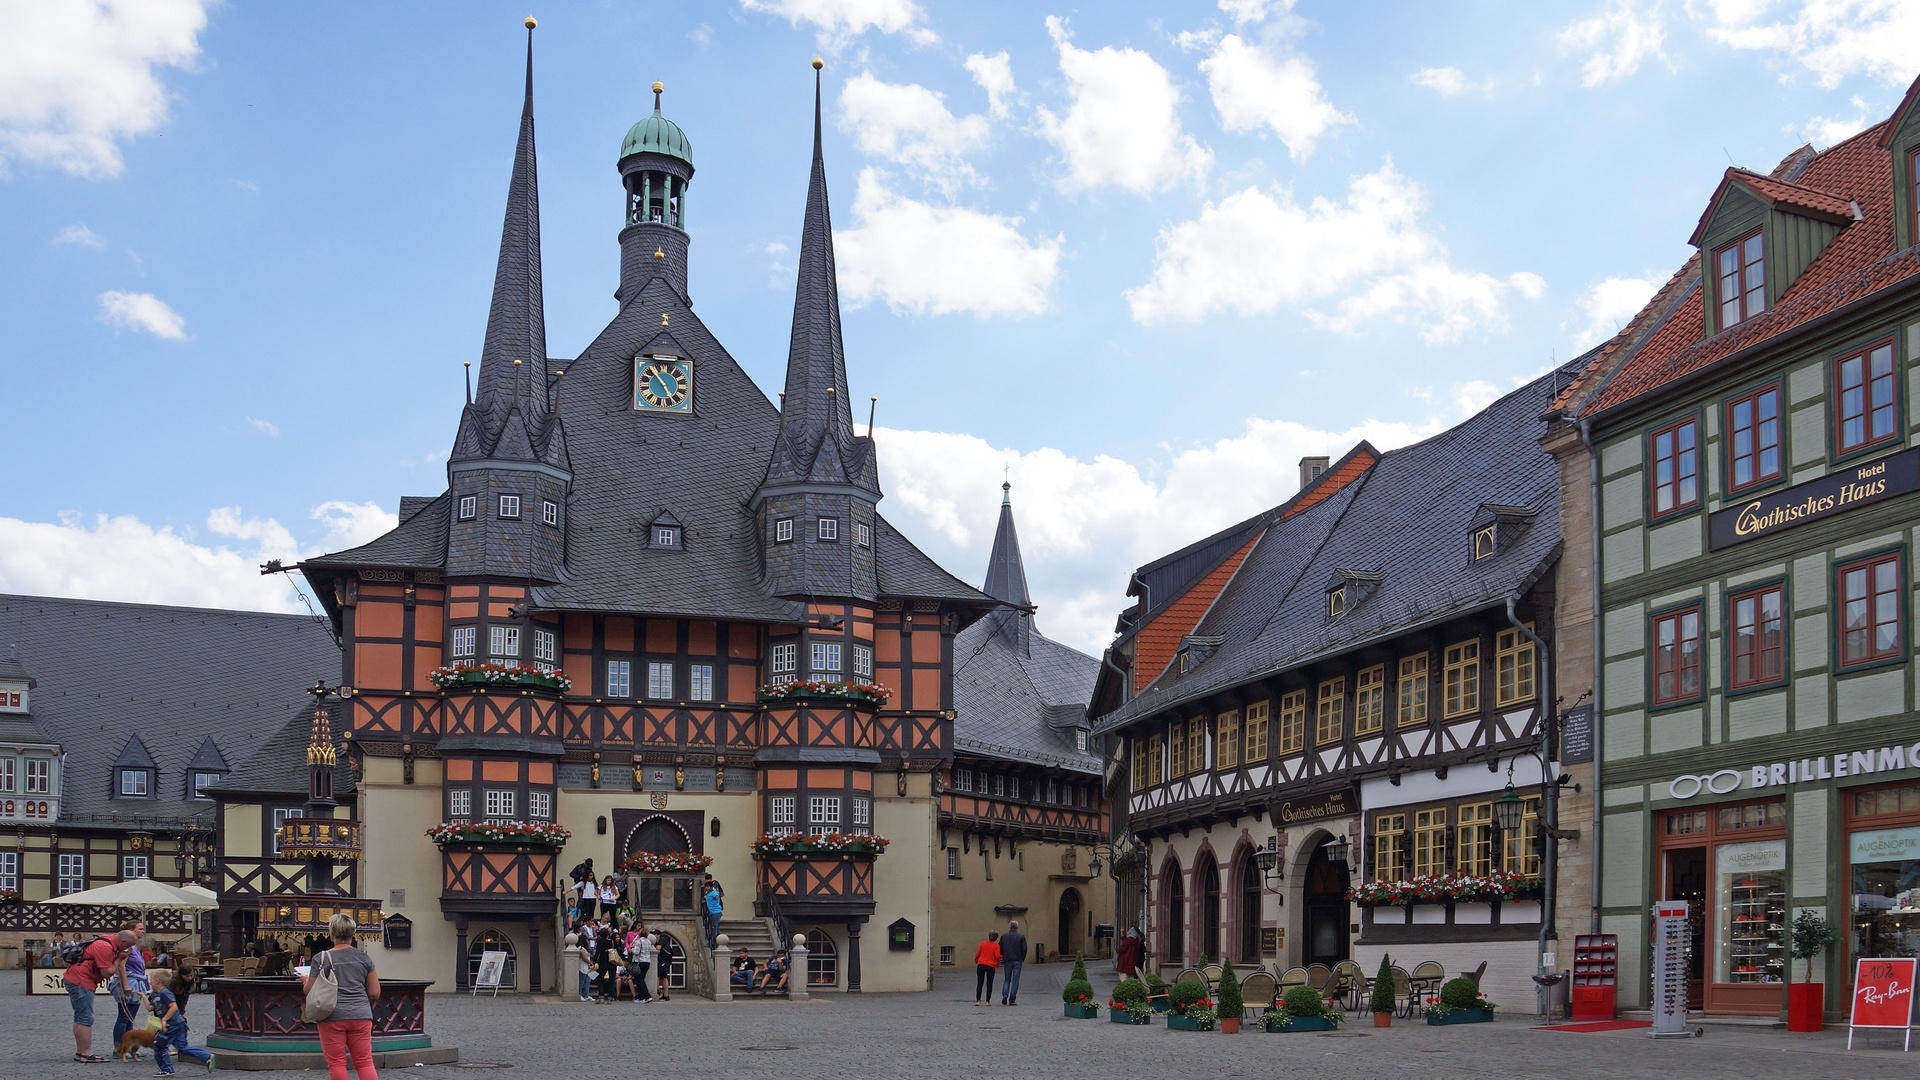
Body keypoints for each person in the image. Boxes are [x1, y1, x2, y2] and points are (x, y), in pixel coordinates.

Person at [299, 912, 380, 1080]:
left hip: (332, 1016)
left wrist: (305, 980)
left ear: (332, 934)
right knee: (364, 1062)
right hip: (360, 1015)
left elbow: (310, 991)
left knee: (336, 1064)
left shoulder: (321, 958)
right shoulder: (364, 958)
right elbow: (374, 993)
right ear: (352, 934)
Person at [64, 928, 136, 1063]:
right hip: (81, 981)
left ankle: (80, 1052)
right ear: (123, 941)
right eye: (128, 946)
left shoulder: (106, 940)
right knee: (86, 1017)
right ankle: (86, 1053)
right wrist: (119, 958)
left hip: (76, 978)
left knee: (80, 1016)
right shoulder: (105, 947)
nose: (128, 950)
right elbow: (107, 973)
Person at [144, 968, 213, 1076]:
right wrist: (143, 996)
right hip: (177, 1024)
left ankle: (167, 1069)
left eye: (151, 980)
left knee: (159, 1047)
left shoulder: (165, 992)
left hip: (171, 1025)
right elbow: (149, 1008)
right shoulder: (155, 994)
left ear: (157, 981)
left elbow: (173, 1007)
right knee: (182, 1047)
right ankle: (207, 1056)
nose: (149, 982)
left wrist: (164, 1019)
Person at [110, 920, 150, 1058]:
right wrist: (125, 985)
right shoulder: (127, 948)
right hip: (130, 984)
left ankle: (128, 1047)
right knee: (124, 1016)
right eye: (140, 928)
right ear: (132, 931)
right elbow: (121, 965)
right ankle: (118, 1047)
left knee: (130, 1018)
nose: (143, 931)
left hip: (137, 984)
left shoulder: (135, 948)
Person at [997, 921, 1027, 1006]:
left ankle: (1005, 994)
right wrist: (1022, 958)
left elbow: (1000, 947)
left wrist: (1003, 955)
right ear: (1017, 927)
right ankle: (1012, 1000)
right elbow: (1024, 949)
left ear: (1010, 927)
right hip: (1017, 960)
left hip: (1007, 960)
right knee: (1015, 980)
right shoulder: (1021, 936)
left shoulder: (1004, 936)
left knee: (1007, 979)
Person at [973, 931, 1000, 1006]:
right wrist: (1003, 955)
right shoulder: (996, 946)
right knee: (989, 983)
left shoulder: (983, 943)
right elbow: (997, 956)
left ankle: (978, 1000)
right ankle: (987, 1001)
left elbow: (977, 954)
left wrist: (976, 961)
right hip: (991, 966)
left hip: (981, 964)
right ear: (996, 938)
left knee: (979, 983)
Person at [629, 928, 654, 1004]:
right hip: (647, 962)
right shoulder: (648, 942)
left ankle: (645, 996)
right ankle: (643, 996)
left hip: (639, 962)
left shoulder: (638, 941)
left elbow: (636, 952)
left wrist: (631, 950)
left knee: (639, 980)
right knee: (641, 979)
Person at [703, 881, 723, 948]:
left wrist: (716, 896)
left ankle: (715, 942)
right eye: (705, 887)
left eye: (707, 886)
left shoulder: (713, 892)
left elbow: (716, 896)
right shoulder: (708, 894)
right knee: (715, 926)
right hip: (712, 912)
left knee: (715, 927)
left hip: (716, 911)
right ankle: (720, 939)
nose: (706, 888)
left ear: (710, 887)